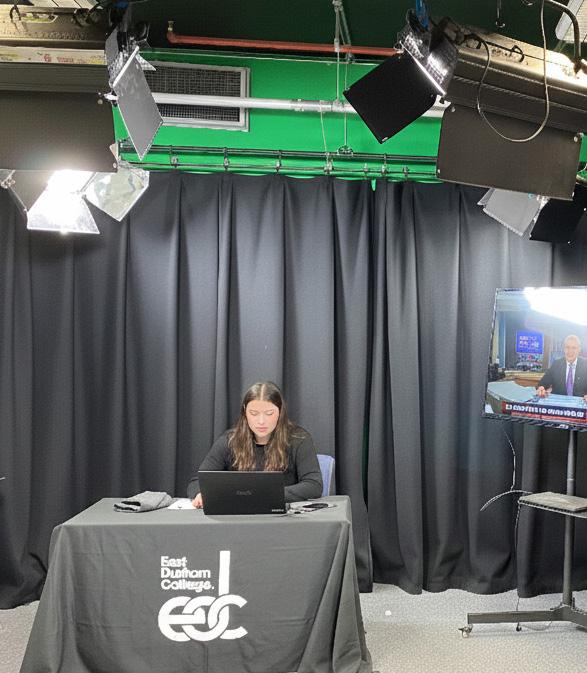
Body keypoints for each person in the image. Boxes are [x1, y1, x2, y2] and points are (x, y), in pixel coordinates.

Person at [187, 381, 323, 508]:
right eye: (254, 413)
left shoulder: (299, 439)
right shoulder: (230, 440)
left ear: (280, 412)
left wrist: (263, 495)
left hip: (282, 515)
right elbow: (197, 481)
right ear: (245, 411)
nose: (261, 421)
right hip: (239, 515)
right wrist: (200, 493)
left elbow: (313, 485)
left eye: (269, 413)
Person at [536, 334, 587, 401]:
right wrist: (541, 388)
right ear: (564, 349)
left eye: (574, 348)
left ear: (579, 349)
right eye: (567, 347)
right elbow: (542, 383)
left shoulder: (585, 365)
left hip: (580, 405)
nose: (570, 351)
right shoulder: (556, 364)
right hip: (559, 405)